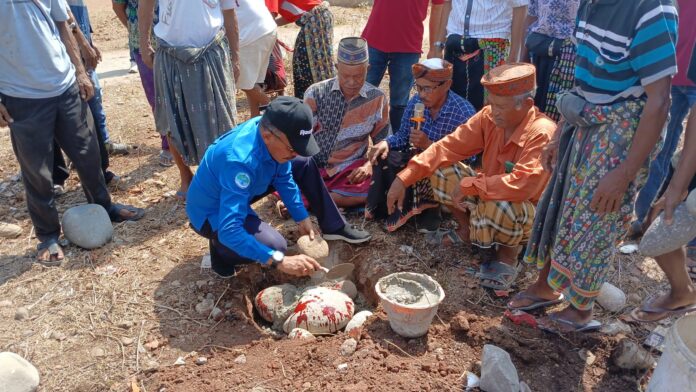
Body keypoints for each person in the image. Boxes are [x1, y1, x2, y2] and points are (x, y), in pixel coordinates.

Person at [511, 0, 676, 333]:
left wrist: (625, 173)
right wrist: (559, 132)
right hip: (585, 121)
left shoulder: (651, 8)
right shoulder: (588, 4)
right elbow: (583, 77)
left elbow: (658, 102)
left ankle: (580, 309)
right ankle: (547, 286)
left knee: (595, 219)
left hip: (620, 134)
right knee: (560, 207)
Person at [386, 63, 556, 289]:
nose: (493, 111)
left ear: (526, 105)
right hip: (489, 197)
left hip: (526, 213)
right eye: (491, 103)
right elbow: (446, 147)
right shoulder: (489, 117)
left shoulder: (542, 132)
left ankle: (507, 257)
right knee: (440, 168)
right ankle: (467, 232)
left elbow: (525, 186)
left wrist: (472, 184)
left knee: (504, 204)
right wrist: (403, 178)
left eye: (501, 107)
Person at [0, 0, 144, 265]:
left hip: (65, 86)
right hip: (21, 96)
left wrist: (79, 71)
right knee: (38, 172)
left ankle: (104, 208)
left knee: (89, 154)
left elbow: (62, 24)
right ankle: (47, 235)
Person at [186, 97, 371, 278]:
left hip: (238, 187)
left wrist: (301, 217)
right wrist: (280, 261)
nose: (295, 152)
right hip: (209, 212)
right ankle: (222, 252)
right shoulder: (240, 162)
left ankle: (334, 225)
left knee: (302, 161)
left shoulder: (272, 130)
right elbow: (230, 229)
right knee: (275, 248)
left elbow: (284, 176)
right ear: (267, 136)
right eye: (292, 148)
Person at [138, 0, 240, 199]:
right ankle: (186, 178)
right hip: (169, 52)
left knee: (223, 119)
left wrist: (235, 58)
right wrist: (144, 44)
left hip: (212, 51)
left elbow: (229, 13)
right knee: (171, 118)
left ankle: (221, 177)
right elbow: (146, 4)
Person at [366, 58, 476, 233]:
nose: (422, 94)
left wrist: (429, 145)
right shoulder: (416, 102)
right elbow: (402, 136)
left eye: (427, 88)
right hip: (416, 162)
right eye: (418, 87)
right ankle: (390, 211)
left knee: (433, 168)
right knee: (385, 156)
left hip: (444, 172)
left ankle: (430, 214)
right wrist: (385, 142)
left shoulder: (463, 112)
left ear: (447, 85)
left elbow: (469, 159)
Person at [630, 1, 696, 250]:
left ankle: (690, 241)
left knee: (687, 157)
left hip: (689, 77)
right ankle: (644, 216)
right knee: (659, 151)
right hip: (670, 71)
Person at [303, 37, 391, 208]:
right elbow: (301, 138)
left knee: (380, 188)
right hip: (314, 167)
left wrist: (369, 166)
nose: (351, 83)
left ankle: (310, 201)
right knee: (286, 177)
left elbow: (384, 141)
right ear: (336, 68)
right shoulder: (316, 93)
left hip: (350, 170)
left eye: (358, 76)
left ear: (368, 69)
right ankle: (322, 198)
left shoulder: (377, 98)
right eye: (345, 76)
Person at [361, 0, 445, 132]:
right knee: (361, 96)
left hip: (408, 45)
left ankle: (396, 144)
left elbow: (438, 7)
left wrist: (435, 46)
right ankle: (353, 143)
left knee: (399, 102)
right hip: (375, 38)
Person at [434, 0, 529, 111]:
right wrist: (438, 45)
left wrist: (513, 56)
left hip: (492, 46)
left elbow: (520, 7)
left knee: (488, 108)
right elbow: (447, 3)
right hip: (454, 43)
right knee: (451, 104)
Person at [112, 0, 174, 167]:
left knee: (181, 94)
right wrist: (138, 33)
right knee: (156, 98)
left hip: (177, 42)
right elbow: (118, 6)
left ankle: (186, 140)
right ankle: (168, 144)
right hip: (146, 48)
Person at [523, 0, 579, 122]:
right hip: (538, 54)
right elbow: (531, 17)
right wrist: (522, 60)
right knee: (533, 111)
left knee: (559, 116)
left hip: (569, 62)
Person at [266, 0, 334, 99]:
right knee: (308, 63)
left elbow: (269, 17)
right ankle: (315, 99)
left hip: (316, 18)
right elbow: (290, 17)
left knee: (312, 65)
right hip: (317, 17)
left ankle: (322, 99)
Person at [236, 0, 277, 118]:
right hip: (267, 30)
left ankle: (277, 111)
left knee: (243, 82)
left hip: (251, 34)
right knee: (252, 83)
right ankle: (254, 119)